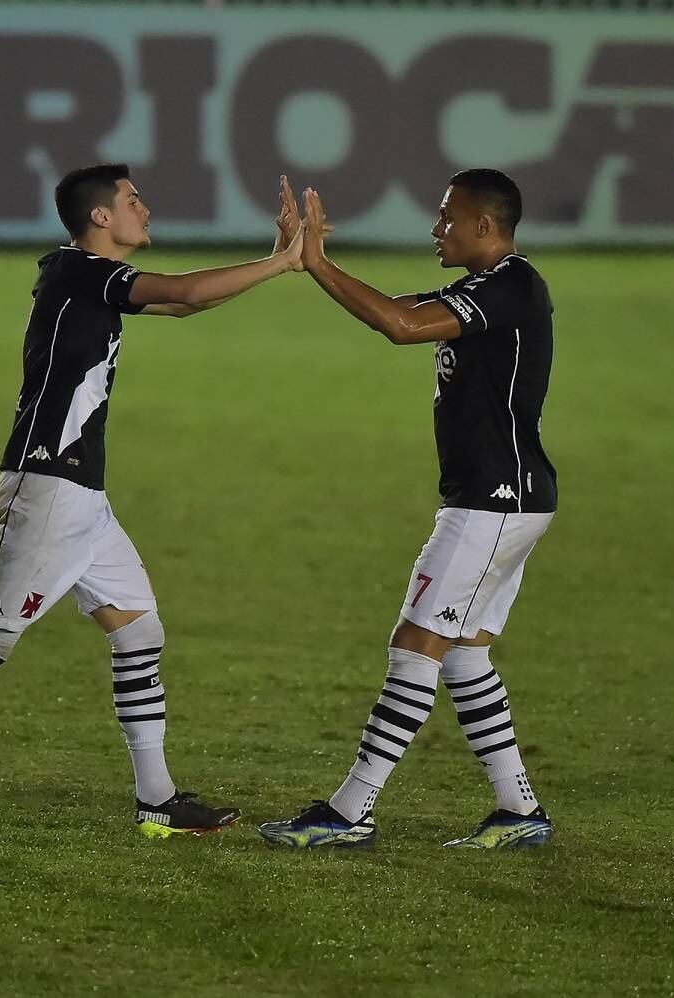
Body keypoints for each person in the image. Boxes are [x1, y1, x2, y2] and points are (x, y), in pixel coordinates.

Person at [0, 165, 305, 837]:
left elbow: (179, 304)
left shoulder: (87, 278)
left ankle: (157, 799)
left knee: (138, 631)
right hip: (48, 489)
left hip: (81, 496)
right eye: (133, 200)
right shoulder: (79, 269)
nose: (146, 208)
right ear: (101, 217)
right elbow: (184, 292)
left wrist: (275, 260)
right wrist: (282, 261)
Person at [259, 170, 559, 849]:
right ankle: (519, 809)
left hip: (492, 504)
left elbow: (401, 326)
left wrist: (317, 263)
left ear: (485, 226)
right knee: (463, 655)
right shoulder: (484, 288)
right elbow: (396, 309)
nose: (436, 228)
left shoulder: (511, 285)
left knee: (415, 645)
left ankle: (349, 812)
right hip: (507, 500)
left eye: (447, 217)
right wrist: (317, 267)